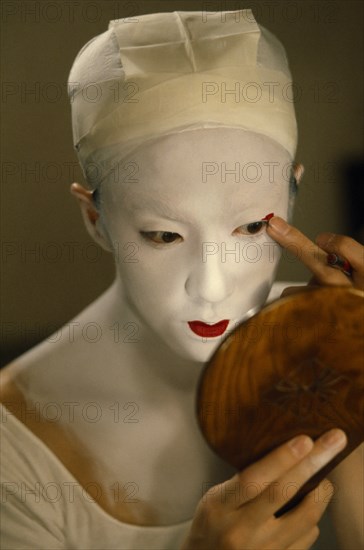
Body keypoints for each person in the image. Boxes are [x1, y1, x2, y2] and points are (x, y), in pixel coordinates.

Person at [1, 9, 363, 550]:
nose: (212, 287)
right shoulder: (15, 455)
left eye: (249, 227)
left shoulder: (343, 340)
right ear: (94, 219)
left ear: (293, 196)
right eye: (164, 236)